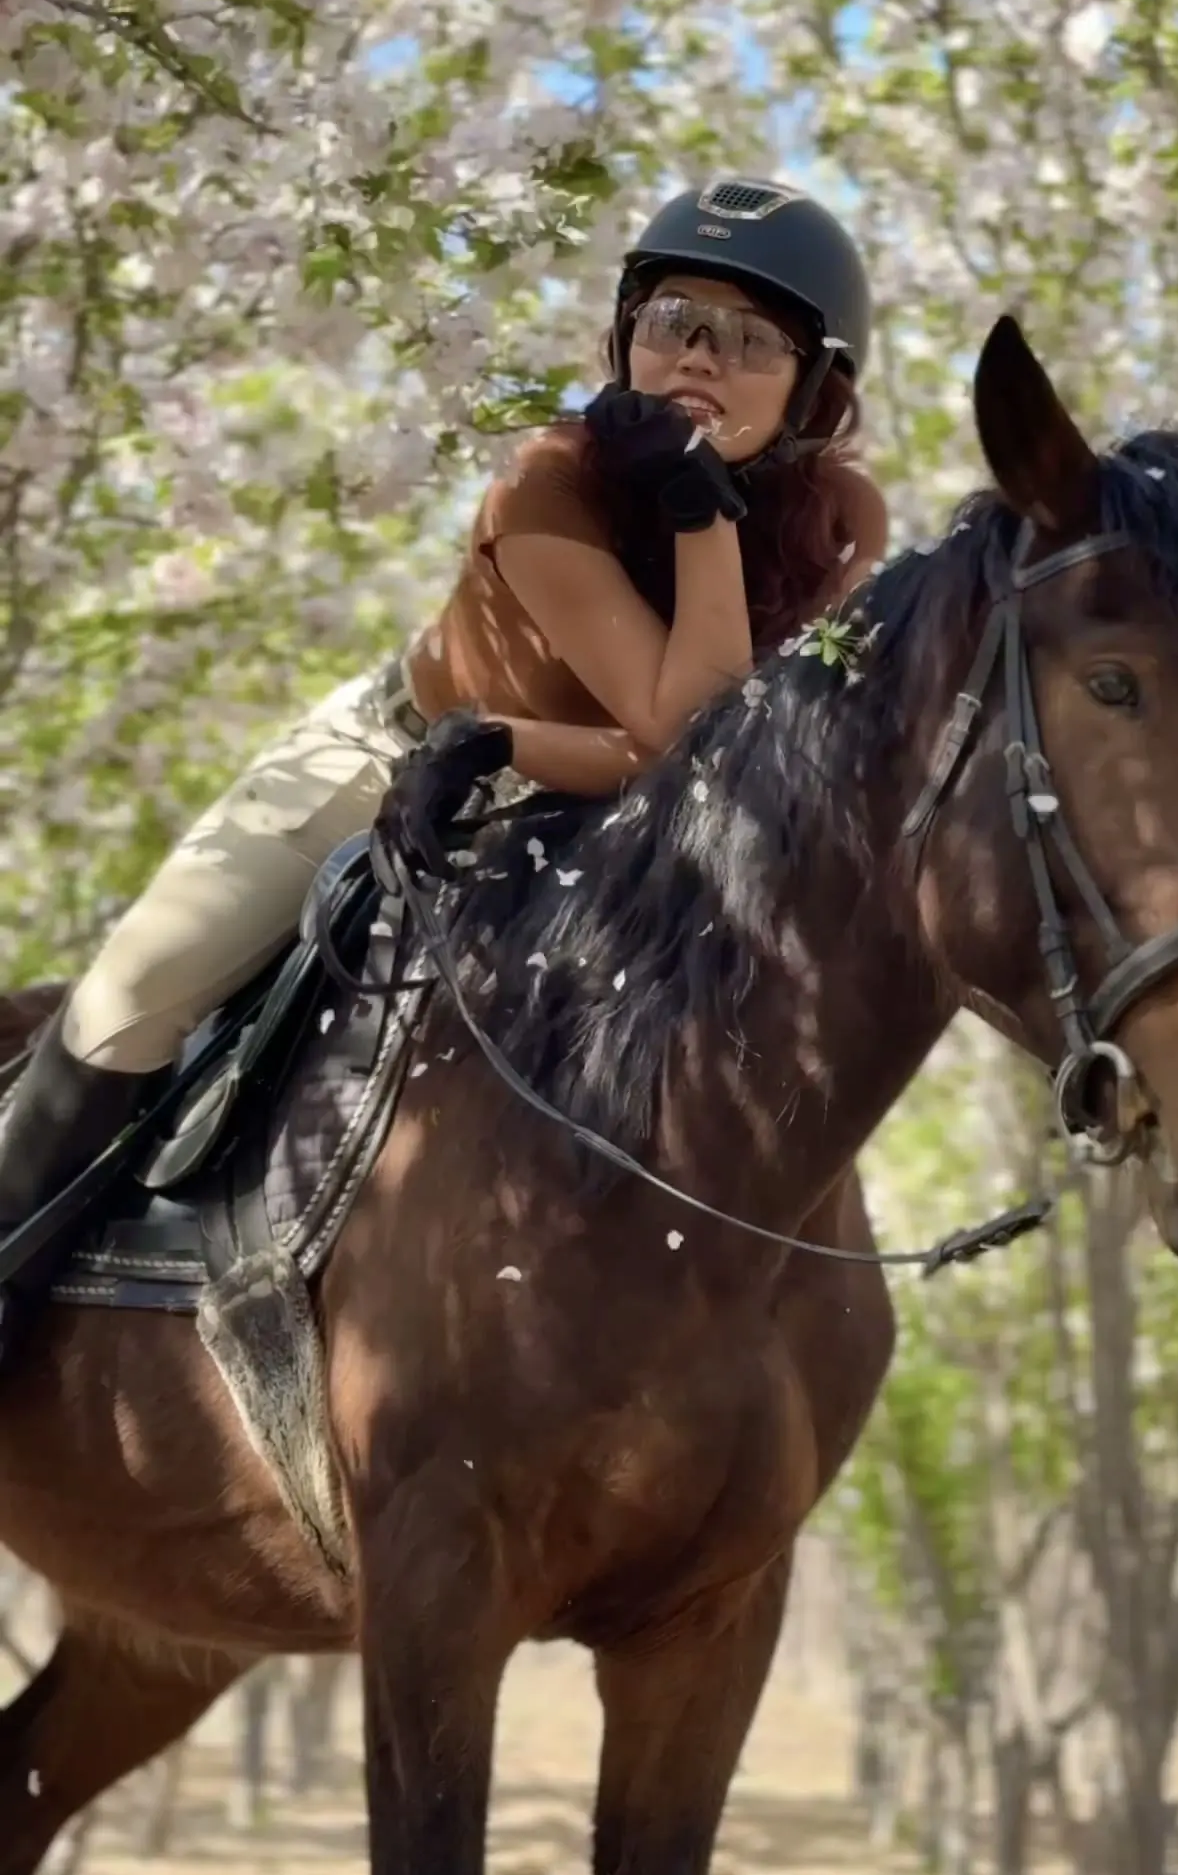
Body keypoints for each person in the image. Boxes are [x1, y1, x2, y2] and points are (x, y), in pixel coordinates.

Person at [0, 177, 887, 1353]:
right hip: (399, 764)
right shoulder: (546, 484)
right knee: (130, 995)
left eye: (752, 339)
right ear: (624, 334)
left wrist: (529, 730)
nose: (700, 358)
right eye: (673, 318)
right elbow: (690, 730)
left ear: (818, 390)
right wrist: (697, 511)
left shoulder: (844, 520)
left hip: (615, 801)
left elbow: (690, 753)